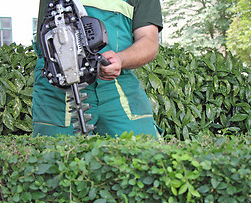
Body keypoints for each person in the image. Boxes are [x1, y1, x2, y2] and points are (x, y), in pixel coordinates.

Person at [32, 0, 163, 137]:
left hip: (117, 83)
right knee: (53, 152)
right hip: (59, 80)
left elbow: (149, 41)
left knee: (145, 149)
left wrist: (120, 59)